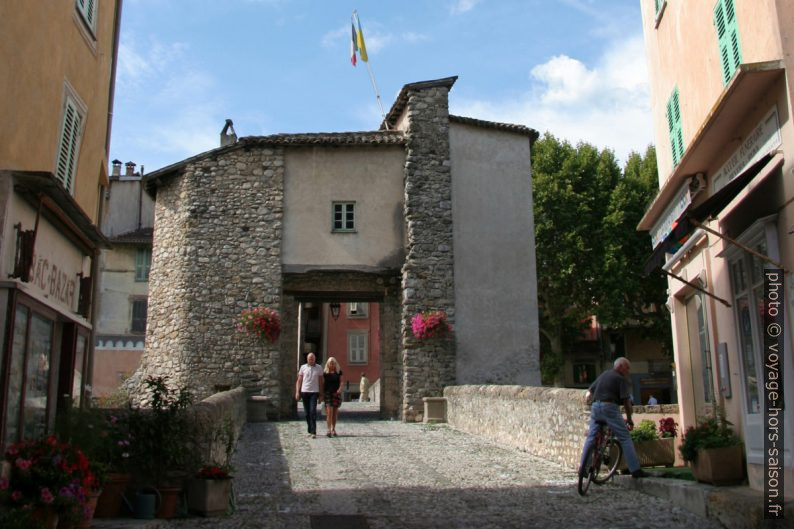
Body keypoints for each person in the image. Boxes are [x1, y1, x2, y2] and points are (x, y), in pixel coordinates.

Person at [579, 357, 647, 478]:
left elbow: (589, 392)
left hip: (595, 406)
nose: (628, 371)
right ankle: (636, 470)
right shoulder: (620, 379)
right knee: (625, 437)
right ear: (620, 366)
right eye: (627, 368)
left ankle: (583, 468)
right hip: (609, 407)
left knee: (591, 437)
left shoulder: (604, 374)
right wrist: (629, 419)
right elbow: (626, 402)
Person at [295, 353, 324, 438]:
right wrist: (297, 392)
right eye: (310, 358)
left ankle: (314, 432)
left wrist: (321, 394)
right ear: (307, 359)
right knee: (307, 413)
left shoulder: (319, 368)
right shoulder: (303, 367)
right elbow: (299, 381)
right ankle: (310, 429)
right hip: (304, 392)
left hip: (314, 392)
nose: (311, 359)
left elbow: (321, 382)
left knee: (312, 412)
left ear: (315, 359)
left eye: (312, 358)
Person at [323, 357, 343, 437]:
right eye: (330, 363)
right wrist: (321, 394)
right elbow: (323, 383)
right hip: (328, 393)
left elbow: (341, 382)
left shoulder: (339, 372)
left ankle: (333, 428)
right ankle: (328, 429)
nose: (332, 364)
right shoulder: (325, 373)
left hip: (336, 393)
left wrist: (340, 389)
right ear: (328, 364)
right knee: (329, 412)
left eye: (333, 363)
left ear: (335, 364)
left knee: (335, 413)